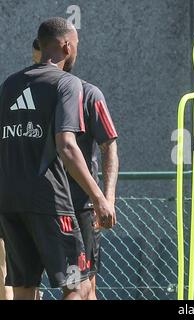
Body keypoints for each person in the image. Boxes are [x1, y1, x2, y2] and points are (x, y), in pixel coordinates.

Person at [0, 17, 115, 300]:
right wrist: (99, 197)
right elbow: (67, 146)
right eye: (75, 45)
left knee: (25, 287)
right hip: (50, 203)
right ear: (65, 46)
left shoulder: (9, 85)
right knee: (78, 285)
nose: (76, 50)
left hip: (10, 204)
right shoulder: (68, 84)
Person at [32, 38, 119, 300]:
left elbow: (109, 147)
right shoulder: (27, 94)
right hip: (39, 205)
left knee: (84, 285)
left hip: (78, 205)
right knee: (42, 284)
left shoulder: (88, 93)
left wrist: (106, 199)